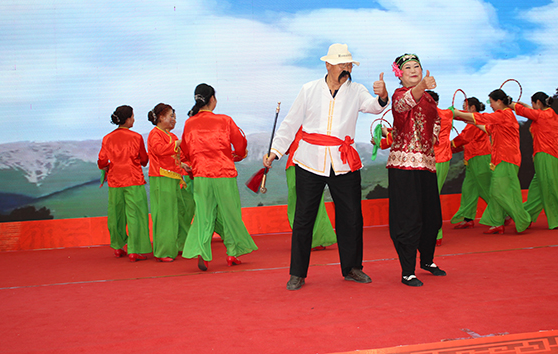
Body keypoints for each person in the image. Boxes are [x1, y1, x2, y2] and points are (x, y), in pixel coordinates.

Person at [263, 43, 387, 291]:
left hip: (344, 162)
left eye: (349, 64)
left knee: (351, 217)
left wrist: (383, 96)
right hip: (309, 161)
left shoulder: (357, 90)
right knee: (304, 218)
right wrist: (275, 151)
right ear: (328, 65)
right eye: (342, 64)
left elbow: (374, 106)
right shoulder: (309, 89)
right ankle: (297, 273)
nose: (347, 68)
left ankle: (352, 268)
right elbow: (290, 123)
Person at [180, 84, 257, 271]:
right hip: (224, 174)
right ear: (212, 99)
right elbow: (240, 146)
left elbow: (185, 152)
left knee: (203, 215)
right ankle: (232, 253)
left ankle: (202, 252)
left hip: (201, 176)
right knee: (230, 214)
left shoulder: (189, 123)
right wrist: (236, 156)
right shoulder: (224, 120)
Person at [386, 53, 446, 287]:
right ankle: (407, 270)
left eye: (417, 67)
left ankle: (427, 260)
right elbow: (404, 105)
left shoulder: (429, 98)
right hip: (404, 166)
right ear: (399, 74)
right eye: (408, 68)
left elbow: (436, 121)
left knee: (432, 217)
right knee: (408, 218)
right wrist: (422, 86)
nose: (413, 70)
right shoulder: (399, 94)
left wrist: (431, 140)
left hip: (426, 164)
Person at [453, 89, 531, 234]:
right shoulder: (500, 118)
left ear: (499, 101)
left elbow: (483, 119)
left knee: (501, 191)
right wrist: (467, 119)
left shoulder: (504, 114)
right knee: (496, 191)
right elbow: (487, 128)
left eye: (491, 102)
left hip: (507, 158)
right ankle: (497, 223)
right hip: (500, 158)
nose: (490, 105)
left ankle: (522, 219)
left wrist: (458, 114)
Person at [511, 92, 558, 229]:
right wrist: (523, 105)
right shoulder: (552, 114)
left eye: (533, 104)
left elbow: (525, 111)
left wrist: (508, 103)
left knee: (549, 187)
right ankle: (525, 216)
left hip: (545, 154)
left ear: (537, 102)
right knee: (537, 189)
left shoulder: (541, 115)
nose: (532, 106)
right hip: (550, 154)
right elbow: (530, 110)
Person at [97, 105, 152, 262]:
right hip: (133, 180)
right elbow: (144, 160)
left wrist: (108, 166)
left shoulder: (107, 138)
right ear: (127, 119)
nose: (134, 119)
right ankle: (135, 250)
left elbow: (102, 161)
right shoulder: (136, 137)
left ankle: (118, 246)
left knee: (116, 215)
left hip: (115, 182)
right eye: (132, 116)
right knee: (136, 216)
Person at [147, 103, 194, 262]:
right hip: (161, 178)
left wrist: (183, 165)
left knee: (185, 208)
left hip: (175, 179)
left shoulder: (172, 136)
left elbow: (175, 158)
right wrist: (179, 143)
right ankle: (163, 251)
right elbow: (160, 151)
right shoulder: (155, 134)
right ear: (161, 117)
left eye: (174, 116)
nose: (174, 119)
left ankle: (181, 244)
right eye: (171, 116)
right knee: (165, 215)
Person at [285, 127, 337, 250]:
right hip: (307, 165)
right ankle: (316, 239)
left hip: (304, 165)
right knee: (311, 203)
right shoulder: (301, 123)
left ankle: (311, 239)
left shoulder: (305, 124)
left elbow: (285, 147)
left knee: (302, 203)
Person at [449, 97, 493, 229]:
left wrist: (448, 145)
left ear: (472, 108)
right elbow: (464, 142)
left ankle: (503, 214)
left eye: (465, 107)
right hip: (471, 159)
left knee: (485, 189)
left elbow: (464, 138)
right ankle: (468, 218)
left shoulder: (477, 121)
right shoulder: (472, 121)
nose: (463, 110)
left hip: (481, 157)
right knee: (468, 190)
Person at [428, 90, 452, 246]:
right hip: (441, 159)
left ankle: (436, 234)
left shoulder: (425, 116)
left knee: (430, 197)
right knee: (431, 196)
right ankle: (435, 233)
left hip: (434, 159)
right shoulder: (448, 114)